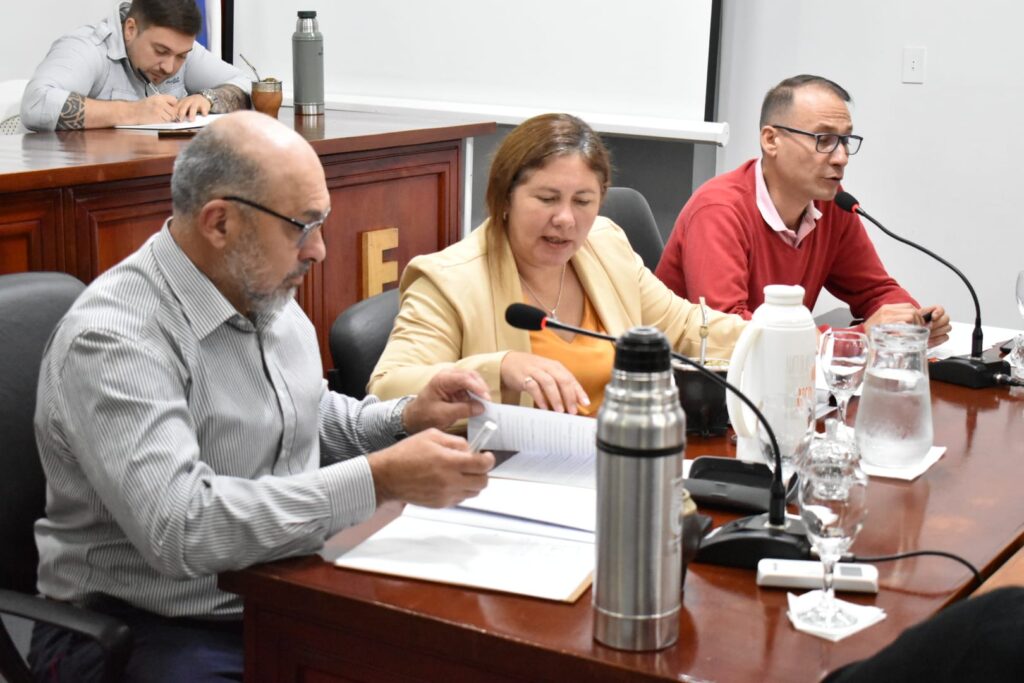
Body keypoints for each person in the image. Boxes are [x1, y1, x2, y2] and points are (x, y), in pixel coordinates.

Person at [28, 111, 495, 682]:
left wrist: (409, 416)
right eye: (302, 227)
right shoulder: (116, 338)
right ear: (220, 223)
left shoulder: (261, 290)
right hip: (144, 625)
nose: (319, 250)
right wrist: (378, 480)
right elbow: (182, 527)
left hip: (275, 588)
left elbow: (304, 414)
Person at [368, 113, 746, 416]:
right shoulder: (449, 280)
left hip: (616, 453)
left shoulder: (605, 245)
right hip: (510, 471)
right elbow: (386, 391)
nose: (565, 219)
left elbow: (685, 328)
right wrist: (499, 368)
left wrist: (769, 337)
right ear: (504, 198)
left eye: (582, 201)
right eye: (547, 199)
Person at [654, 74, 952, 346]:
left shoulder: (832, 204)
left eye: (845, 140)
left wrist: (913, 321)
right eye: (824, 140)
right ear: (771, 140)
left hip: (784, 374)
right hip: (695, 378)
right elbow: (726, 336)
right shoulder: (719, 210)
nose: (841, 157)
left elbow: (876, 291)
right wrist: (859, 337)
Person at [21, 0, 250, 132]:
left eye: (181, 56)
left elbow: (246, 84)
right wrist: (132, 112)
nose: (170, 67)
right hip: (91, 182)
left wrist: (209, 98)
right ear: (131, 29)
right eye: (160, 51)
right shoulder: (88, 47)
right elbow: (36, 103)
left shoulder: (180, 48)